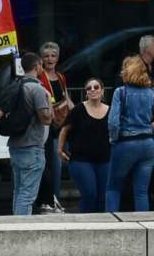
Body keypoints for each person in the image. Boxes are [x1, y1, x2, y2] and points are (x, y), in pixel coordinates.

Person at [106, 55, 154, 212]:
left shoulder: (120, 92)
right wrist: (153, 136)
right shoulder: (152, 94)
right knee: (141, 192)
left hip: (125, 143)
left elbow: (113, 122)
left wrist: (113, 139)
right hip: (147, 145)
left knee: (113, 187)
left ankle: (110, 224)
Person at [8, 52, 53, 216]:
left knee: (18, 191)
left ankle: (15, 224)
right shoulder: (37, 89)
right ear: (37, 66)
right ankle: (21, 230)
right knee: (27, 195)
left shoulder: (15, 86)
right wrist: (49, 100)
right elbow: (46, 119)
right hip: (32, 146)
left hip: (15, 145)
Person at [57, 77, 110, 213]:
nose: (92, 90)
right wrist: (60, 149)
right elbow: (65, 129)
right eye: (89, 88)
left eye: (96, 87)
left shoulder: (111, 110)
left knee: (103, 197)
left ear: (102, 91)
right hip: (81, 159)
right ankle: (86, 224)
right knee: (89, 193)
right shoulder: (78, 110)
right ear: (86, 92)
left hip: (105, 159)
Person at [35, 41, 73, 213]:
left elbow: (67, 99)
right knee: (52, 166)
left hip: (61, 125)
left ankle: (53, 198)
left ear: (57, 58)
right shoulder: (39, 77)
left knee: (59, 164)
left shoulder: (60, 76)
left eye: (53, 55)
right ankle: (50, 199)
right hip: (47, 127)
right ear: (41, 59)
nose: (50, 59)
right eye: (46, 56)